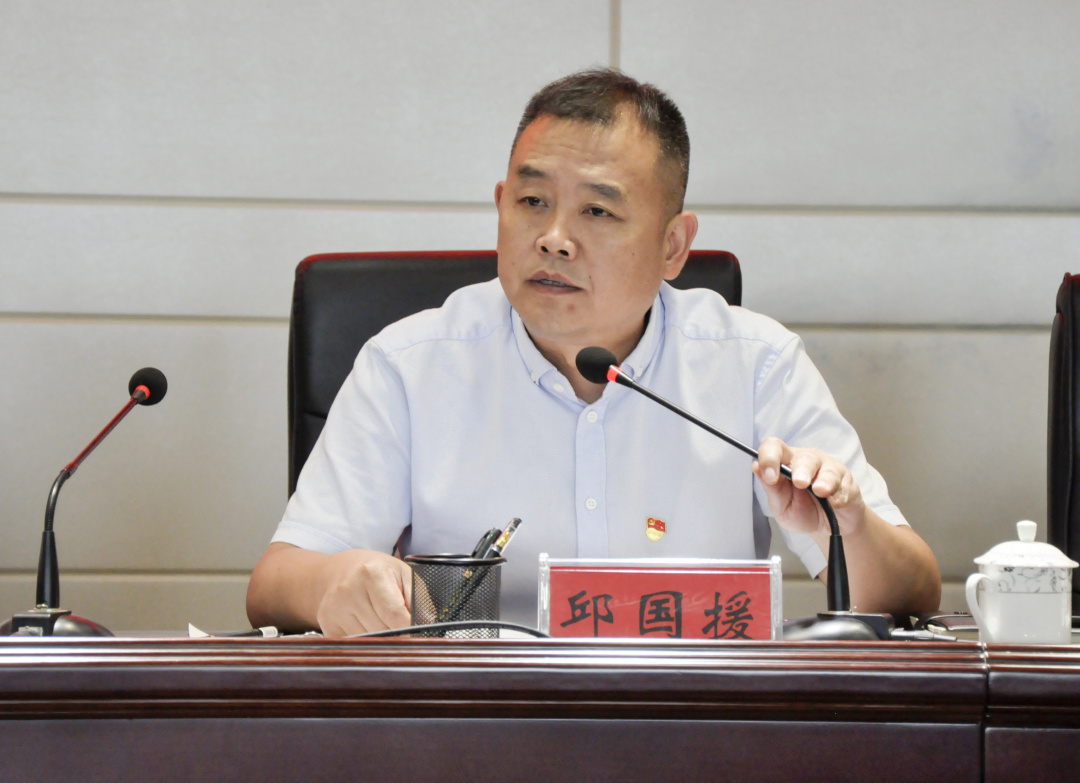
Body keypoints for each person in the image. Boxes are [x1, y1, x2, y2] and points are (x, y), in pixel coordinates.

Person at [246, 69, 941, 636]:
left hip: (699, 729)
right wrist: (335, 582)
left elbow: (913, 589)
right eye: (531, 201)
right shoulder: (410, 365)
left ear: (673, 246)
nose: (553, 237)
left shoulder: (753, 364)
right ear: (500, 205)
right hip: (475, 729)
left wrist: (849, 530)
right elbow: (274, 584)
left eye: (598, 211)